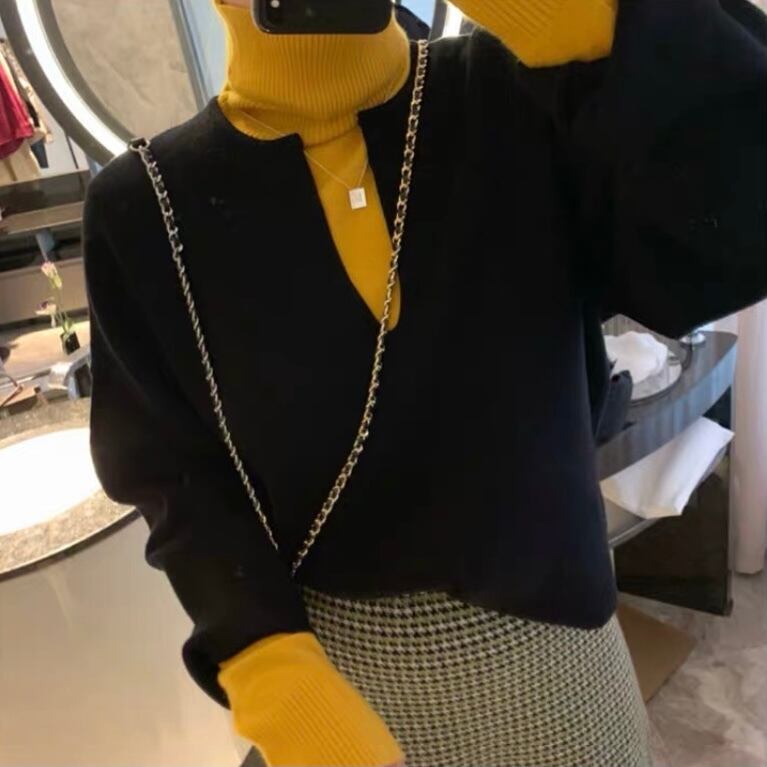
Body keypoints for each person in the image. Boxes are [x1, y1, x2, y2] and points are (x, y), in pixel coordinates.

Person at [83, 0, 767, 765]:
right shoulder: (145, 207)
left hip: (563, 675)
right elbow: (176, 473)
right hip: (331, 698)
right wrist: (265, 667)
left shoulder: (514, 95)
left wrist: (611, 27)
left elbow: (734, 233)